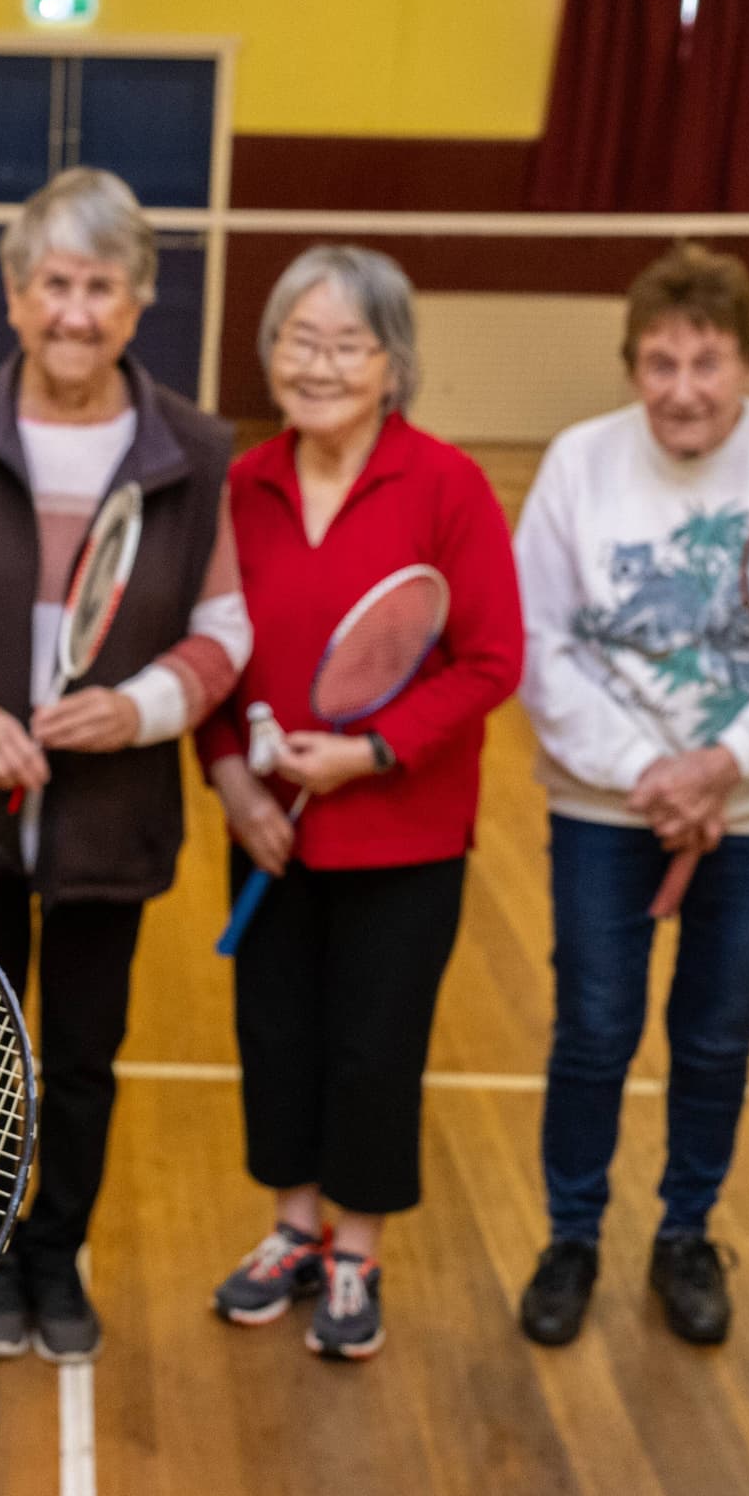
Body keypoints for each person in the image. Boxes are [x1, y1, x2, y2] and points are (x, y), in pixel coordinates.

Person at [0, 167, 249, 1362]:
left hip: (108, 813)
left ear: (137, 308)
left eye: (103, 288)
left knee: (81, 1052)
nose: (77, 311)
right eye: (55, 284)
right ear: (18, 297)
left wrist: (133, 711)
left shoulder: (192, 447)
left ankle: (55, 1254)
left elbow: (225, 632)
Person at [511, 243, 749, 1350]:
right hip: (604, 810)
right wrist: (646, 775)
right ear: (630, 368)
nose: (683, 389)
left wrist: (728, 762)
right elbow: (539, 642)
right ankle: (572, 1235)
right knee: (594, 1030)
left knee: (716, 1036)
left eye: (707, 363)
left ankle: (686, 1234)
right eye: (659, 363)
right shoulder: (578, 462)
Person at [201, 247, 524, 1361]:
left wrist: (372, 751)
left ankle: (356, 1248)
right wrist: (236, 779)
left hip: (404, 833)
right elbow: (211, 658)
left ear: (393, 363)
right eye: (301, 340)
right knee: (276, 1036)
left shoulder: (447, 486)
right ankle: (294, 1227)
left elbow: (490, 661)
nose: (321, 364)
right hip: (266, 830)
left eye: (349, 344)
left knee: (376, 1048)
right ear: (270, 354)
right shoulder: (241, 488)